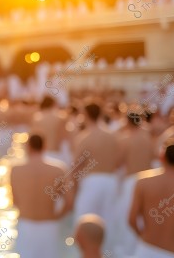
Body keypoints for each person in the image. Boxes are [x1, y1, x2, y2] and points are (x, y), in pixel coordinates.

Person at [129, 143, 174, 257]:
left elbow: (131, 219)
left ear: (162, 157)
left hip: (146, 248)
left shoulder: (143, 182)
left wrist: (142, 237)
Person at [10, 134, 73, 258]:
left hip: (26, 224)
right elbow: (69, 202)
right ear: (45, 146)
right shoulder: (58, 169)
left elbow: (15, 201)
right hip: (49, 225)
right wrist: (58, 216)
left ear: (28, 147)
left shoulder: (16, 170)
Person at [72, 102, 119, 252]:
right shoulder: (112, 136)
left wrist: (73, 189)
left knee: (83, 220)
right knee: (108, 222)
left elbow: (76, 166)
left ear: (85, 115)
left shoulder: (85, 137)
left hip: (92, 181)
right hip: (111, 181)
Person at [114, 112, 156, 255]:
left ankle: (128, 251)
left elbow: (118, 162)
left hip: (132, 181)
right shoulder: (148, 139)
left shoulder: (126, 139)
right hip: (149, 180)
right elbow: (153, 158)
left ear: (128, 122)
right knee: (143, 216)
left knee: (128, 217)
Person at [31, 96, 68, 164]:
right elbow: (64, 137)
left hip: (41, 154)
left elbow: (33, 138)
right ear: (53, 104)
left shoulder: (37, 118)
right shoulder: (61, 118)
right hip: (56, 152)